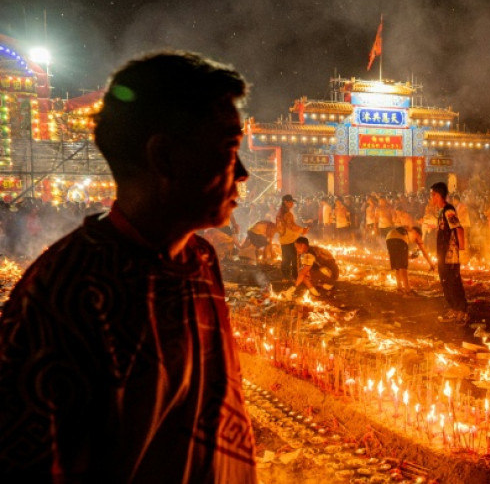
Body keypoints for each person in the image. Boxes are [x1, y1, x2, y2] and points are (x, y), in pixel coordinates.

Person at [0, 52, 257, 482]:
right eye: (229, 149)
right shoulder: (66, 294)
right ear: (165, 159)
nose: (245, 173)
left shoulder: (200, 259)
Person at [430, 182, 469, 324]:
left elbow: (459, 229)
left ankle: (462, 311)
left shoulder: (448, 210)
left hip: (451, 254)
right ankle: (453, 308)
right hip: (442, 254)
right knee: (445, 282)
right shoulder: (440, 212)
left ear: (438, 195)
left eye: (432, 195)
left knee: (453, 282)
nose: (431, 198)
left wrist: (462, 250)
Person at [386, 225, 435, 294]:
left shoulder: (407, 231)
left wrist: (410, 257)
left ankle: (399, 287)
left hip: (389, 237)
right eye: (416, 240)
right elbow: (424, 252)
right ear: (417, 234)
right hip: (399, 238)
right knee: (403, 267)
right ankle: (407, 290)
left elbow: (401, 256)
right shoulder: (416, 235)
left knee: (397, 266)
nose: (415, 242)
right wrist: (431, 264)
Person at [277, 194, 309, 280]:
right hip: (290, 239)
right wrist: (302, 230)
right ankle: (295, 277)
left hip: (283, 239)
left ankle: (285, 277)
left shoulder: (280, 212)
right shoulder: (287, 214)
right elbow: (291, 226)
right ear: (285, 202)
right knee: (295, 259)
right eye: (290, 202)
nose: (292, 204)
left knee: (286, 259)